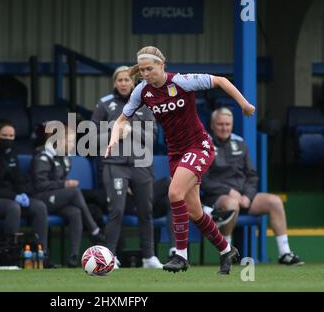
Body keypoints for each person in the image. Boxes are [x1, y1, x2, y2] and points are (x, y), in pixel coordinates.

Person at [106, 46, 256, 275]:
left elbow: (221, 81)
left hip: (199, 146)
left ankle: (180, 255)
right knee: (195, 212)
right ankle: (226, 250)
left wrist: (244, 104)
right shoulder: (142, 92)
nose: (146, 74)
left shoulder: (182, 82)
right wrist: (113, 140)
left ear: (162, 65)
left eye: (150, 69)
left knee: (174, 193)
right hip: (176, 153)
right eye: (142, 70)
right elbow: (120, 120)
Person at [201, 107, 304, 265]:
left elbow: (252, 175)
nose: (224, 128)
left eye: (227, 124)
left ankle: (285, 253)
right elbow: (204, 180)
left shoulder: (240, 144)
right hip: (218, 197)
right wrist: (229, 191)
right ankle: (227, 252)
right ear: (212, 125)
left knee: (274, 201)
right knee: (231, 203)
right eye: (220, 124)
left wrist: (248, 196)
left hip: (244, 197)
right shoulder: (204, 145)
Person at [91, 66, 163, 268]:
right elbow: (90, 140)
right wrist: (114, 134)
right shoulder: (104, 105)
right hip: (114, 164)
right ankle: (110, 257)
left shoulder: (146, 104)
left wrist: (131, 130)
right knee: (117, 210)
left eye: (126, 80)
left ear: (133, 83)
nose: (123, 83)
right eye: (119, 80)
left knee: (146, 210)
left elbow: (153, 138)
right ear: (115, 83)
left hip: (141, 164)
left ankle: (149, 257)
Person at [0, 119, 49, 258]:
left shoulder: (11, 154)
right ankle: (10, 253)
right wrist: (14, 196)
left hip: (11, 196)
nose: (8, 139)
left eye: (11, 136)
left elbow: (17, 180)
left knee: (39, 207)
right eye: (4, 136)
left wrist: (24, 192)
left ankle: (42, 254)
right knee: (13, 207)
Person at [31, 124, 106, 267]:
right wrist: (64, 185)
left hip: (55, 199)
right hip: (40, 199)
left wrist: (62, 185)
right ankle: (94, 230)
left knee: (75, 212)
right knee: (74, 191)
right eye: (70, 141)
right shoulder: (43, 156)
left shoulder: (65, 158)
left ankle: (73, 258)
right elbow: (40, 185)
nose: (72, 144)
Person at [125, 177, 236, 259]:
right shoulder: (115, 158)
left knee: (174, 201)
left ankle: (175, 251)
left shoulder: (137, 153)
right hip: (130, 203)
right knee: (169, 182)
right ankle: (209, 212)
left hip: (148, 201)